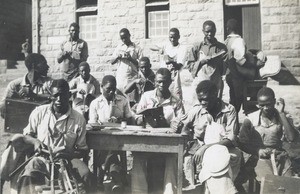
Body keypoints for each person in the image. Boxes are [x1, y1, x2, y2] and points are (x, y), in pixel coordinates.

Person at [0, 79, 92, 193]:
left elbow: (82, 150)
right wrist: (35, 142)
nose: (59, 99)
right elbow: (27, 136)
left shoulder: (79, 119)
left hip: (67, 160)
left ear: (69, 95)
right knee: (28, 175)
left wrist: (68, 152)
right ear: (50, 96)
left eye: (62, 96)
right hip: (42, 158)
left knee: (86, 174)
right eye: (55, 95)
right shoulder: (39, 112)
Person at [180, 80, 242, 192]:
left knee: (226, 158)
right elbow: (179, 124)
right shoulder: (197, 111)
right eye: (200, 100)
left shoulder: (229, 110)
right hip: (199, 150)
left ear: (215, 94)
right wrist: (184, 130)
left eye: (206, 99)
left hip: (223, 148)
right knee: (213, 161)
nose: (203, 103)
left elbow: (231, 139)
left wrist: (206, 147)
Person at [132, 68, 184, 194]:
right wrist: (145, 117)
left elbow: (181, 120)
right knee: (138, 157)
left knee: (171, 159)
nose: (162, 85)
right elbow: (137, 118)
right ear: (154, 81)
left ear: (170, 82)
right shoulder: (146, 96)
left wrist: (174, 123)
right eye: (159, 82)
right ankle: (139, 192)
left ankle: (169, 191)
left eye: (165, 82)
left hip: (167, 140)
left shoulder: (175, 101)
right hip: (147, 138)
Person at [237, 87, 297, 190]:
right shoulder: (251, 119)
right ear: (258, 104)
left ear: (274, 102)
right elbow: (241, 143)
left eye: (268, 104)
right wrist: (257, 150)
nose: (265, 108)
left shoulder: (282, 115)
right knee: (270, 184)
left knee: (289, 186)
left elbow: (292, 138)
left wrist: (281, 114)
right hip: (260, 157)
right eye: (261, 105)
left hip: (280, 156)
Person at [88, 75, 134, 192]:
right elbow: (92, 122)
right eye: (108, 89)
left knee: (113, 146)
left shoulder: (122, 100)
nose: (111, 91)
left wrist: (120, 120)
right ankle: (116, 177)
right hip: (101, 137)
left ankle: (102, 173)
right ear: (102, 87)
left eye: (113, 88)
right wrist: (100, 123)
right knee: (110, 148)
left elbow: (130, 118)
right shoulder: (95, 103)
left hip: (119, 137)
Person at [0, 53, 51, 118]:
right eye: (44, 63)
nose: (48, 67)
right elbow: (2, 111)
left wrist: (35, 95)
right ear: (34, 65)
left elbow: (57, 99)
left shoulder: (48, 83)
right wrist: (14, 100)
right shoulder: (14, 85)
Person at [187, 20, 227, 99]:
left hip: (216, 82)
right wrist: (202, 62)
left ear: (215, 30)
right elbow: (190, 66)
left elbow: (224, 69)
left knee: (215, 104)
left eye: (212, 31)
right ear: (203, 31)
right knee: (200, 103)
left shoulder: (222, 47)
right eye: (207, 32)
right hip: (200, 81)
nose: (210, 34)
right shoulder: (197, 47)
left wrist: (218, 62)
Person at [224, 18, 255, 114]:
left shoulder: (226, 41)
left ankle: (232, 119)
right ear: (238, 28)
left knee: (233, 97)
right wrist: (253, 65)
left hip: (229, 74)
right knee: (238, 98)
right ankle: (234, 118)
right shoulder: (238, 41)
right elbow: (240, 60)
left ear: (227, 29)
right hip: (237, 74)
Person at [111, 28, 143, 94]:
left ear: (129, 35)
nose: (124, 40)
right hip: (121, 78)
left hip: (132, 78)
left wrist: (130, 59)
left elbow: (141, 64)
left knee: (131, 100)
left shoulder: (137, 48)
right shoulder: (119, 48)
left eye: (125, 37)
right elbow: (111, 61)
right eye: (122, 38)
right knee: (120, 97)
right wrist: (118, 57)